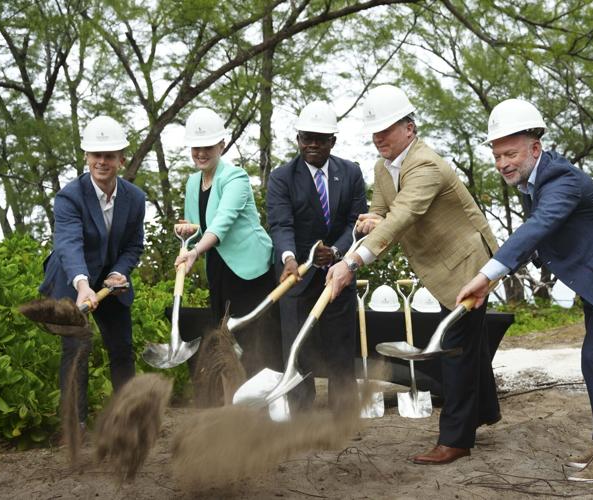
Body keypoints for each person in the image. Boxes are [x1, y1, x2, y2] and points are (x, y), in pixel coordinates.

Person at [456, 98, 593, 482]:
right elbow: (542, 236)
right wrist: (499, 276)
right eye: (498, 155)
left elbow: (537, 228)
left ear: (536, 148)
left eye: (511, 153)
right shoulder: (533, 183)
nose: (503, 164)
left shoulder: (561, 179)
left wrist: (486, 275)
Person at [327, 85, 501, 464]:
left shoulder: (425, 165)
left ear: (409, 127)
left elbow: (402, 216)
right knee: (470, 342)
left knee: (453, 347)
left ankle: (455, 439)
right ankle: (485, 410)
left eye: (386, 129)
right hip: (439, 265)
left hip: (468, 263)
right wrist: (367, 227)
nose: (379, 138)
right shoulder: (382, 166)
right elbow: (379, 213)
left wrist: (352, 263)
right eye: (374, 131)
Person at [39, 116, 145, 426]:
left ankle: (129, 419)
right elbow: (68, 244)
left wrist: (120, 273)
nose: (102, 161)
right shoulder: (69, 197)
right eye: (96, 155)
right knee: (77, 347)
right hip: (74, 279)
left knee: (122, 347)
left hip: (112, 281)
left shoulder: (135, 198)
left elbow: (133, 246)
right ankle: (76, 425)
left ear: (121, 159)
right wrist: (83, 285)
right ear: (86, 157)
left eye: (109, 155)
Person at [266, 100, 367, 413]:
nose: (311, 144)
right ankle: (300, 411)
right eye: (305, 137)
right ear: (298, 139)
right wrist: (288, 258)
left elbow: (357, 221)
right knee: (297, 345)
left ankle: (343, 414)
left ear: (332, 141)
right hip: (296, 273)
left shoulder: (350, 173)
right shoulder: (282, 178)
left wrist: (336, 251)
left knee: (340, 343)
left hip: (337, 271)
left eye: (319, 139)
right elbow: (280, 224)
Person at [174, 108, 278, 375]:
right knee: (228, 335)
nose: (201, 153)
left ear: (222, 144)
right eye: (196, 147)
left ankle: (267, 402)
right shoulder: (192, 183)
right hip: (218, 268)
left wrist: (195, 251)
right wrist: (187, 237)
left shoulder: (235, 177)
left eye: (208, 146)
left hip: (250, 269)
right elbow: (196, 227)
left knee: (257, 336)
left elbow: (222, 224)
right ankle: (239, 396)